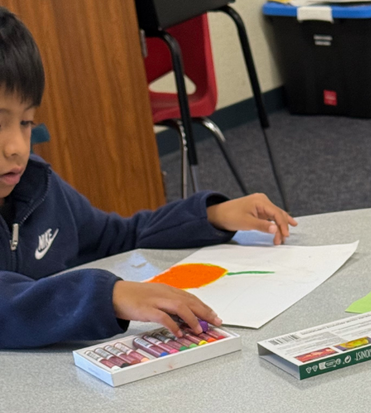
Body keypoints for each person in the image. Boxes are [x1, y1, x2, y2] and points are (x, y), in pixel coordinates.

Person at [0, 7, 298, 350]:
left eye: (26, 122)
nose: (16, 147)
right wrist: (108, 295)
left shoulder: (39, 186)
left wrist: (209, 216)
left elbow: (121, 235)